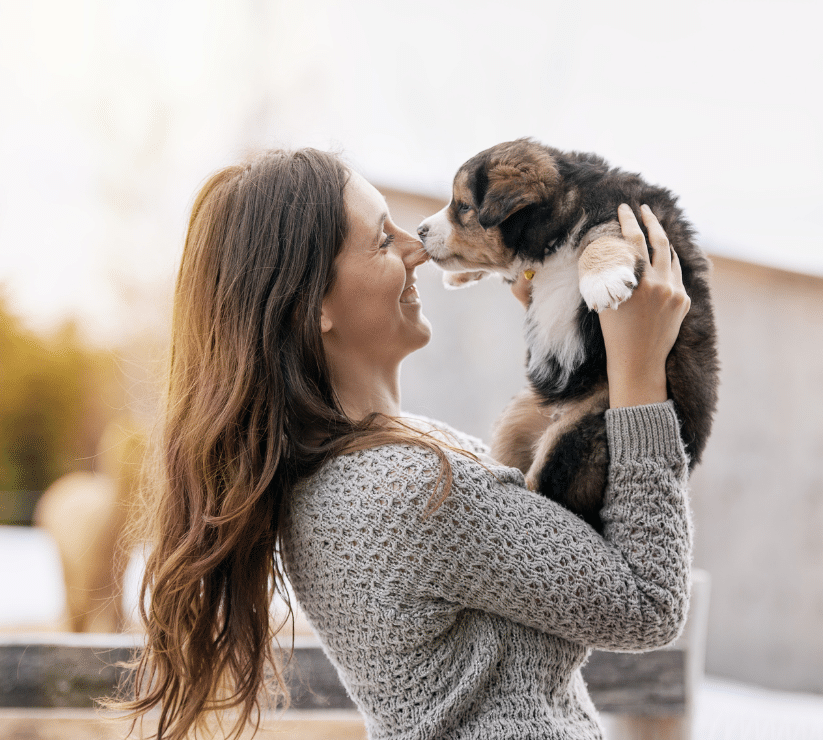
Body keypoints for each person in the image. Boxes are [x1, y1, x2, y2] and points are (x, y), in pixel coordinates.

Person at [116, 147, 693, 740]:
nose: (418, 248)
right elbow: (649, 602)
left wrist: (560, 320)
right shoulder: (414, 491)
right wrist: (640, 376)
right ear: (314, 305)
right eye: (382, 241)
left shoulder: (358, 472)